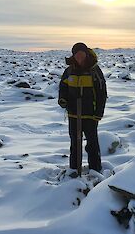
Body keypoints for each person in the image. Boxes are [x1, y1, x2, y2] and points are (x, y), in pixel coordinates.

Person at [58, 42, 107, 175]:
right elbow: (63, 87)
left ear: (86, 54)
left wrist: (99, 112)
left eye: (81, 54)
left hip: (90, 114)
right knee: (75, 142)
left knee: (92, 143)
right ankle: (74, 169)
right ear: (73, 55)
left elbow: (102, 93)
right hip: (73, 113)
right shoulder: (69, 71)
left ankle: (95, 170)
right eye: (77, 55)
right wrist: (63, 100)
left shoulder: (94, 70)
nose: (79, 57)